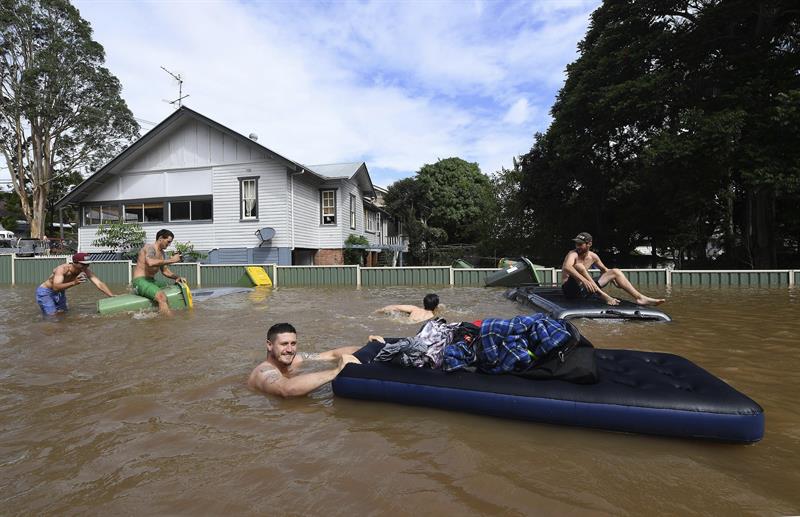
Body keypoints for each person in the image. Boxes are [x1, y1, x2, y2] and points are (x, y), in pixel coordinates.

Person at [248, 323, 361, 397]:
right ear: (269, 345)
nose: (289, 349)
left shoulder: (297, 359)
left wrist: (369, 347)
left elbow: (331, 355)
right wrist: (336, 371)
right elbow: (286, 389)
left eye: (293, 344)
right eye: (284, 344)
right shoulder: (263, 372)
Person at [561, 232, 665, 306]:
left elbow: (605, 270)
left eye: (580, 244)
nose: (577, 246)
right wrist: (584, 280)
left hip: (587, 289)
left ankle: (640, 298)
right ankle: (605, 296)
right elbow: (567, 267)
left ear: (589, 244)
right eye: (576, 244)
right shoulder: (572, 254)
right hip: (570, 290)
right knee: (579, 266)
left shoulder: (593, 256)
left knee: (615, 271)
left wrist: (615, 281)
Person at [36, 252, 115, 316]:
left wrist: (111, 295)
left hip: (60, 291)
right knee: (52, 315)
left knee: (62, 313)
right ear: (75, 263)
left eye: (87, 264)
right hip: (46, 292)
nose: (86, 266)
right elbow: (55, 287)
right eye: (83, 264)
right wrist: (74, 282)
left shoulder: (85, 270)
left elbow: (99, 283)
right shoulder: (62, 269)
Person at [132, 229, 187, 315]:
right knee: (161, 296)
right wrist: (172, 260)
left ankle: (163, 311)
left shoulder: (162, 253)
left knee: (170, 287)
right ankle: (167, 323)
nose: (169, 245)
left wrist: (177, 277)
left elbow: (165, 271)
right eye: (168, 242)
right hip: (140, 281)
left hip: (151, 281)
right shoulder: (150, 248)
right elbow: (150, 262)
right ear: (160, 238)